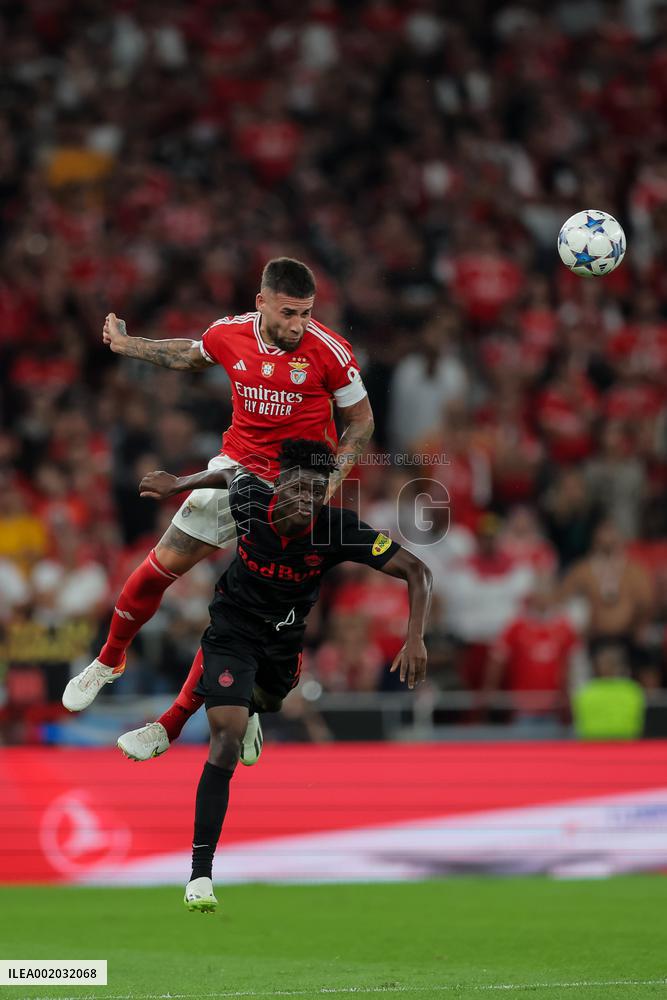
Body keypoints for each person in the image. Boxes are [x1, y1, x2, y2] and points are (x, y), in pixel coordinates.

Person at [119, 439, 432, 912]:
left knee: (263, 702)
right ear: (281, 484)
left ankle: (249, 711)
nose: (307, 498)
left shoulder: (335, 528)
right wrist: (177, 485)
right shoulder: (251, 499)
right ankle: (200, 874)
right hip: (232, 632)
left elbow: (417, 570)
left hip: (281, 649)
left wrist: (415, 638)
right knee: (224, 739)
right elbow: (227, 475)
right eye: (300, 487)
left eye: (317, 490)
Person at [62, 258, 374, 711]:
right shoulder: (230, 333)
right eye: (288, 313)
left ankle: (244, 707)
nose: (298, 325)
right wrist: (128, 345)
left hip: (294, 492)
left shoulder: (331, 352)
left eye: (306, 313)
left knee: (256, 611)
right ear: (261, 303)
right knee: (158, 567)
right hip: (236, 471)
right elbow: (191, 354)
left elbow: (361, 422)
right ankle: (109, 661)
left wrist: (327, 482)